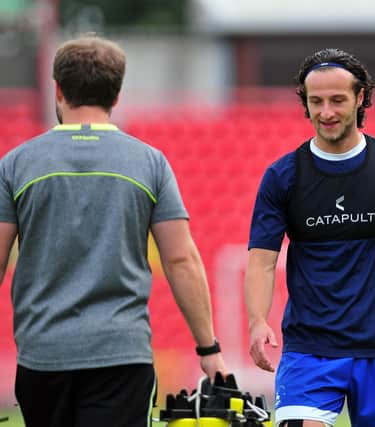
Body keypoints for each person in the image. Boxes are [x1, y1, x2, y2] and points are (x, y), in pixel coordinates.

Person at [0, 34, 227, 427]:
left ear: (57, 89)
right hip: (121, 356)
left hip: (43, 357)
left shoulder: (17, 163)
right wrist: (209, 347)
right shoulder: (149, 163)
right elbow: (180, 258)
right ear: (117, 94)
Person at [244, 48, 375, 427]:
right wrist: (257, 320)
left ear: (361, 97)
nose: (326, 112)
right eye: (316, 101)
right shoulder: (283, 176)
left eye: (337, 100)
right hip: (309, 351)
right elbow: (262, 259)